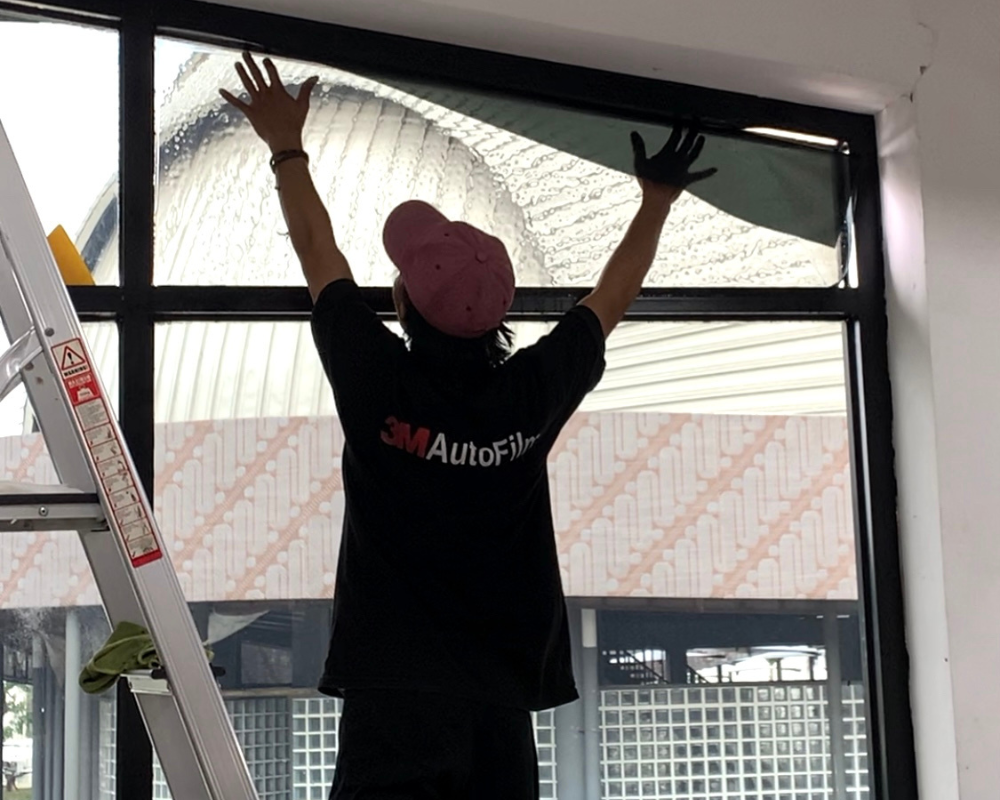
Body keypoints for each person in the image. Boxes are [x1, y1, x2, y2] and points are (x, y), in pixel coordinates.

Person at [221, 52, 716, 800]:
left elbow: (317, 250)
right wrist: (657, 200)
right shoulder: (530, 393)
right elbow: (613, 295)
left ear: (403, 306)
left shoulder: (376, 377)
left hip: (391, 696)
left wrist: (286, 145)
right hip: (499, 700)